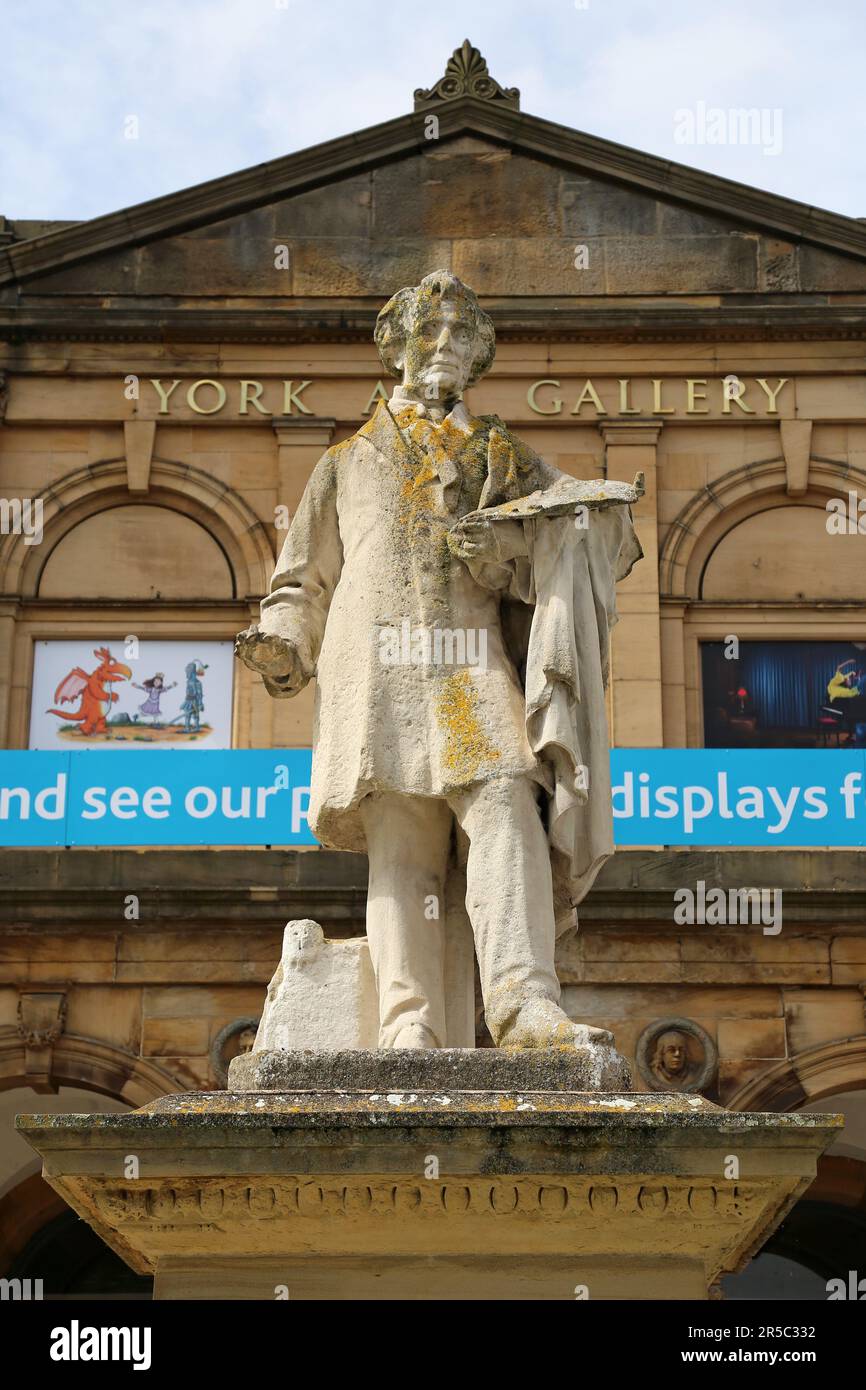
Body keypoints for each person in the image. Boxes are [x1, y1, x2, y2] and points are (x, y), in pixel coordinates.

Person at [236, 271, 641, 1051]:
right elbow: (302, 578)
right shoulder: (344, 462)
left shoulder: (501, 453)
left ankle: (524, 1003)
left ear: (479, 356)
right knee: (403, 848)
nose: (445, 348)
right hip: (377, 674)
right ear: (396, 346)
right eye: (430, 331)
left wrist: (517, 547)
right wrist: (284, 641)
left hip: (469, 667)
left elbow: (589, 527)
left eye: (462, 336)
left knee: (504, 810)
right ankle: (408, 1024)